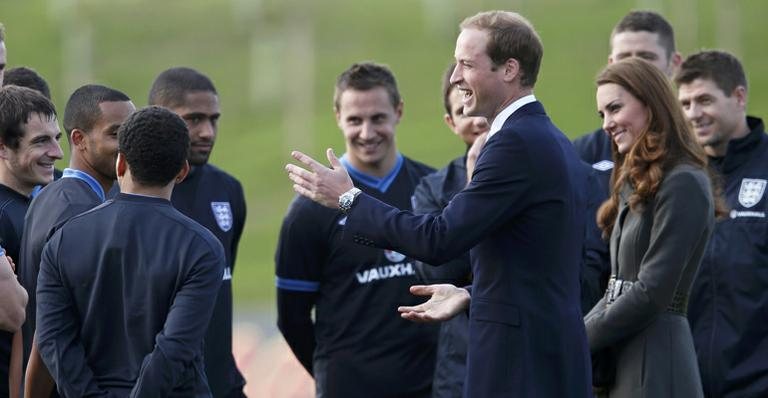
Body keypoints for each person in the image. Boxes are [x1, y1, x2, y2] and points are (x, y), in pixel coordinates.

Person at [286, 11, 591, 397]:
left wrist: (349, 199)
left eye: (466, 64)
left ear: (509, 69)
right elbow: (537, 269)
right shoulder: (548, 137)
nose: (455, 77)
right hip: (542, 354)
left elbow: (439, 238)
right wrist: (471, 294)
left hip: (520, 364)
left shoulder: (514, 143)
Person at [36, 105, 225, 397]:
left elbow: (54, 341)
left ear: (120, 163)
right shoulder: (201, 248)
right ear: (182, 171)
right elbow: (174, 348)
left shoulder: (63, 240)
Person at [276, 61, 438, 397]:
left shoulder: (434, 189)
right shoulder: (309, 210)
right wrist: (335, 376)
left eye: (378, 118)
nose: (366, 132)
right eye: (355, 120)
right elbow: (292, 319)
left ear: (399, 111)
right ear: (337, 117)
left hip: (433, 387)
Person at [585, 58, 724, 397]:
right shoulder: (637, 182)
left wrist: (575, 339)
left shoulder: (684, 182)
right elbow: (616, 288)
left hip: (658, 365)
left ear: (651, 104)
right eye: (602, 114)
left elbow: (652, 290)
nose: (606, 124)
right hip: (624, 360)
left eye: (615, 108)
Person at [19, 84, 135, 397]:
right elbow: (54, 333)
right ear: (79, 139)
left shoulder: (48, 197)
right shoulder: (81, 213)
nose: (128, 145)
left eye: (132, 133)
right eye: (116, 134)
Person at [574, 10, 683, 314]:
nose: (634, 68)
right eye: (625, 57)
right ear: (611, 65)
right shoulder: (581, 154)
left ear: (674, 65)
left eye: (646, 57)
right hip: (603, 324)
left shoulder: (690, 160)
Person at [148, 67, 246, 398]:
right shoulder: (132, 198)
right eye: (193, 119)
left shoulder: (228, 190)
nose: (207, 132)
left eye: (213, 119)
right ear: (159, 117)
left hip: (224, 385)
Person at [675, 50, 768, 397]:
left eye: (704, 100)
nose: (693, 114)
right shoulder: (677, 178)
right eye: (684, 104)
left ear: (739, 96)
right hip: (687, 384)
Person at [411, 62, 487, 398]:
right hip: (462, 366)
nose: (477, 118)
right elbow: (437, 268)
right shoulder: (433, 189)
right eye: (463, 110)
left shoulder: (550, 164)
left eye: (480, 103)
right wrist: (476, 187)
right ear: (451, 123)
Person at [0, 85, 62, 398]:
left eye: (57, 138)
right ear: (2, 147)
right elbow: (12, 314)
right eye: (41, 141)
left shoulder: (62, 194)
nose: (57, 152)